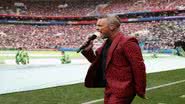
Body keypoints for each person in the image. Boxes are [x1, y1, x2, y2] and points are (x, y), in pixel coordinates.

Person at [81, 15, 146, 104]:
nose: (97, 28)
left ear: (112, 27)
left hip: (123, 89)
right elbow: (98, 63)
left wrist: (140, 89)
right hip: (109, 88)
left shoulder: (128, 42)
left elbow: (138, 67)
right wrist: (88, 50)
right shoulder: (106, 44)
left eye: (100, 26)